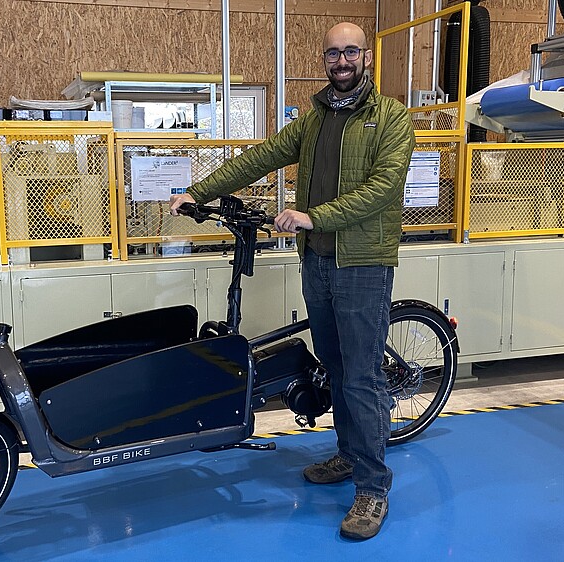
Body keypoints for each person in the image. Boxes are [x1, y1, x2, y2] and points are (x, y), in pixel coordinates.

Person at [169, 22, 415, 540]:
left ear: (366, 57)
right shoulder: (315, 117)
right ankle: (348, 456)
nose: (342, 61)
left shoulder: (391, 118)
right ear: (324, 59)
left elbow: (382, 189)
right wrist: (196, 190)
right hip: (318, 263)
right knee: (336, 366)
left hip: (362, 264)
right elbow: (262, 156)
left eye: (351, 52)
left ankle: (373, 488)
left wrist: (312, 217)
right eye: (333, 53)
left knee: (363, 378)